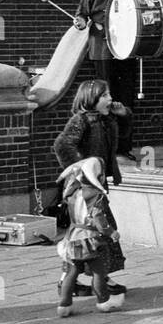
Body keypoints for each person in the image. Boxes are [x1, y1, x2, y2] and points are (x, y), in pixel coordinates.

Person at [53, 79, 129, 299]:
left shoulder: (105, 120)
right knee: (96, 230)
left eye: (109, 95)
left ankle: (77, 280)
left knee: (89, 233)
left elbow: (123, 137)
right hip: (83, 188)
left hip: (95, 183)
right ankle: (93, 280)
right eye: (104, 95)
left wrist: (123, 114)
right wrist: (81, 169)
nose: (110, 99)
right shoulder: (81, 120)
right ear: (91, 98)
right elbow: (62, 144)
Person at [73, 0, 136, 149]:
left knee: (125, 96)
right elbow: (82, 15)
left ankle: (124, 144)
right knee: (106, 95)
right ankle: (107, 145)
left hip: (125, 47)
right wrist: (81, 22)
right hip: (102, 48)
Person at [55, 157, 125, 317]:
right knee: (99, 272)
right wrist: (111, 232)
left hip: (72, 237)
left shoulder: (73, 193)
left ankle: (64, 305)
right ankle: (104, 302)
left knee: (71, 271)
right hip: (89, 238)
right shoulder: (95, 195)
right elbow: (99, 218)